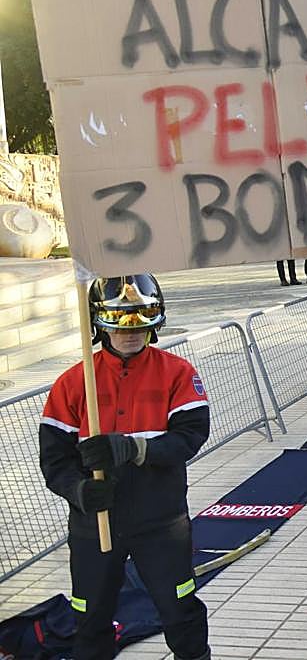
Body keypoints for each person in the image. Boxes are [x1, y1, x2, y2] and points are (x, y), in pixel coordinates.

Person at [40, 274, 211, 660]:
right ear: (99, 323)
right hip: (95, 522)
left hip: (161, 521)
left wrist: (135, 449)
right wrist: (78, 491)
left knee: (179, 610)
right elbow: (54, 459)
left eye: (141, 317)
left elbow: (190, 436)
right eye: (120, 319)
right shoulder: (72, 383)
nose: (132, 331)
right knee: (90, 617)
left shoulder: (177, 373)